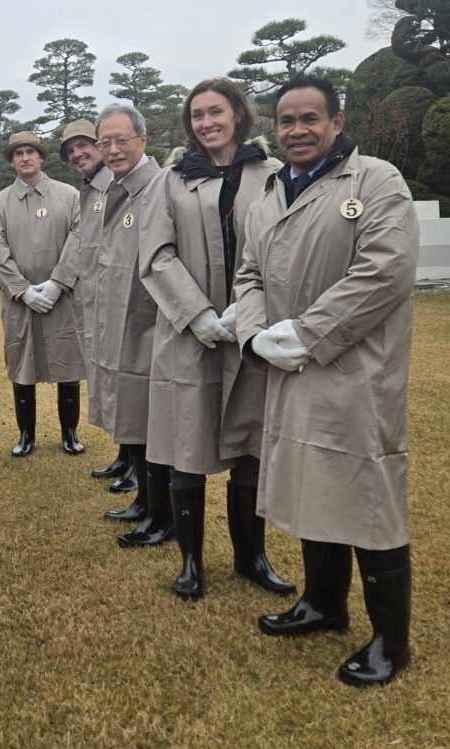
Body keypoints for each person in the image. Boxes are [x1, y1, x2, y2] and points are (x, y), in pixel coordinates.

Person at [236, 74, 418, 687]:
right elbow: (249, 275)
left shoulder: (376, 181)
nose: (296, 131)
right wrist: (258, 333)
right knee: (312, 485)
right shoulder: (268, 193)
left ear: (337, 123)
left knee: (369, 497)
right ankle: (324, 604)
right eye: (286, 121)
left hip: (352, 368)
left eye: (310, 118)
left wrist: (305, 335)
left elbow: (385, 272)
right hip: (288, 364)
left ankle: (392, 641)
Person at [139, 78, 294, 599]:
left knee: (249, 445)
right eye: (197, 115)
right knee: (188, 445)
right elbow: (156, 255)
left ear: (238, 115)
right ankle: (190, 561)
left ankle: (251, 556)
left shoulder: (274, 175)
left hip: (252, 330)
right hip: (189, 332)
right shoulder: (171, 179)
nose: (206, 122)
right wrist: (200, 314)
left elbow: (286, 253)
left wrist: (245, 311)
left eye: (216, 112)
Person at [82, 104, 172, 541]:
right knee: (132, 417)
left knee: (153, 423)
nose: (113, 149)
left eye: (121, 139)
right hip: (115, 321)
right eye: (105, 142)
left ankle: (164, 514)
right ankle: (144, 501)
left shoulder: (159, 187)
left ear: (142, 139)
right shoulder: (112, 189)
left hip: (149, 324)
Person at [0, 131, 85, 456]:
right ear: (12, 161)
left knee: (68, 366)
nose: (25, 158)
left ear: (41, 157)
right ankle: (26, 435)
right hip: (20, 303)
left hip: (63, 297)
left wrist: (58, 283)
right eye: (18, 153)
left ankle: (69, 433)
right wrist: (23, 292)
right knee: (22, 366)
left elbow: (80, 239)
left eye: (31, 152)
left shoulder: (69, 196)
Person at [59, 119, 137, 494]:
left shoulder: (117, 185)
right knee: (109, 381)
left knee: (126, 383)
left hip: (119, 302)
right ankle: (125, 454)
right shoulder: (90, 190)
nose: (77, 154)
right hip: (94, 301)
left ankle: (138, 463)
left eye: (83, 145)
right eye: (70, 150)